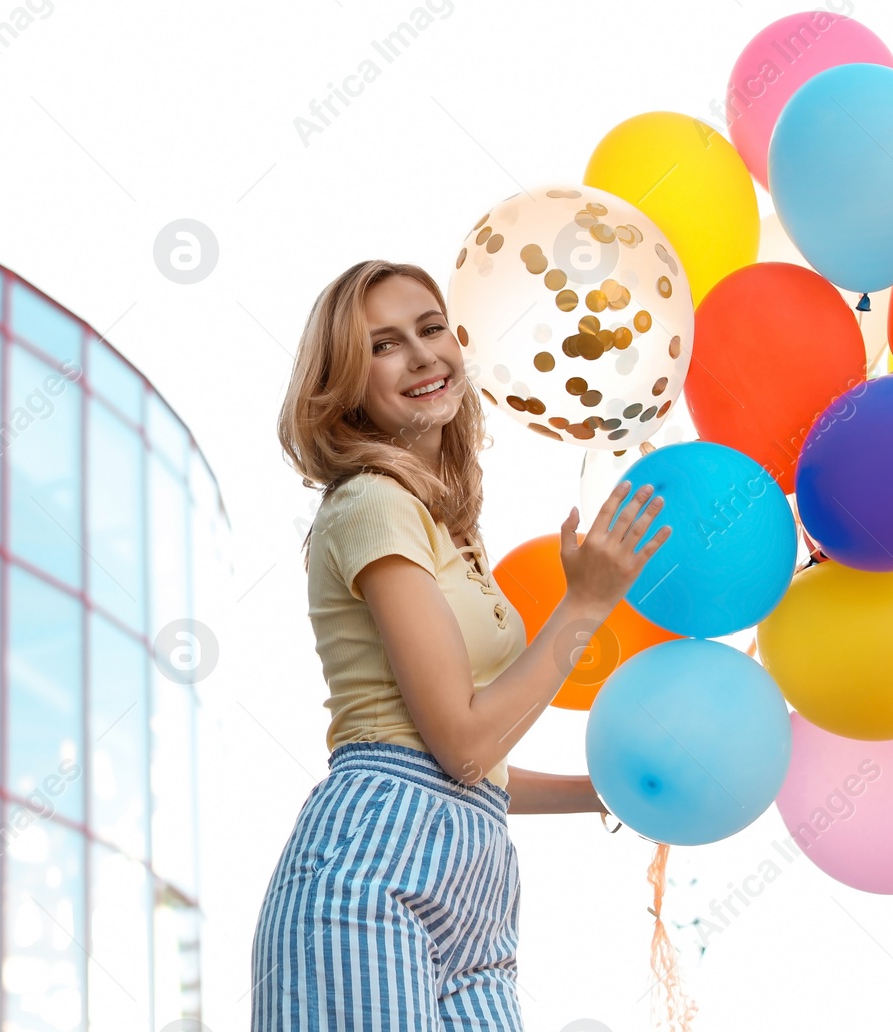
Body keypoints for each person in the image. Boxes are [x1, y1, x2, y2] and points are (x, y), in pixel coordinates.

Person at [253, 260, 673, 1030]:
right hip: (368, 875)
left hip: (474, 883)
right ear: (344, 385)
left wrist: (601, 793)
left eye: (431, 327)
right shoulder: (370, 504)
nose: (421, 355)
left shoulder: (449, 530)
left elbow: (479, 772)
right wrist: (585, 604)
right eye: (383, 345)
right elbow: (462, 746)